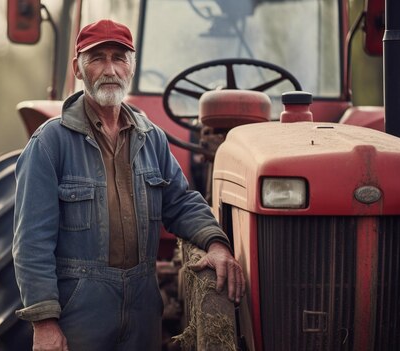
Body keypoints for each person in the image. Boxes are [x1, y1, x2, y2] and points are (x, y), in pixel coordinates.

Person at [13, 19, 245, 351]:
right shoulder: (51, 143)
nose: (110, 69)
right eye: (97, 58)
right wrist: (45, 323)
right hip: (80, 309)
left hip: (142, 306)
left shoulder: (152, 139)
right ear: (78, 68)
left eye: (119, 58)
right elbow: (32, 242)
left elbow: (180, 202)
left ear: (131, 68)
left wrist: (217, 245)